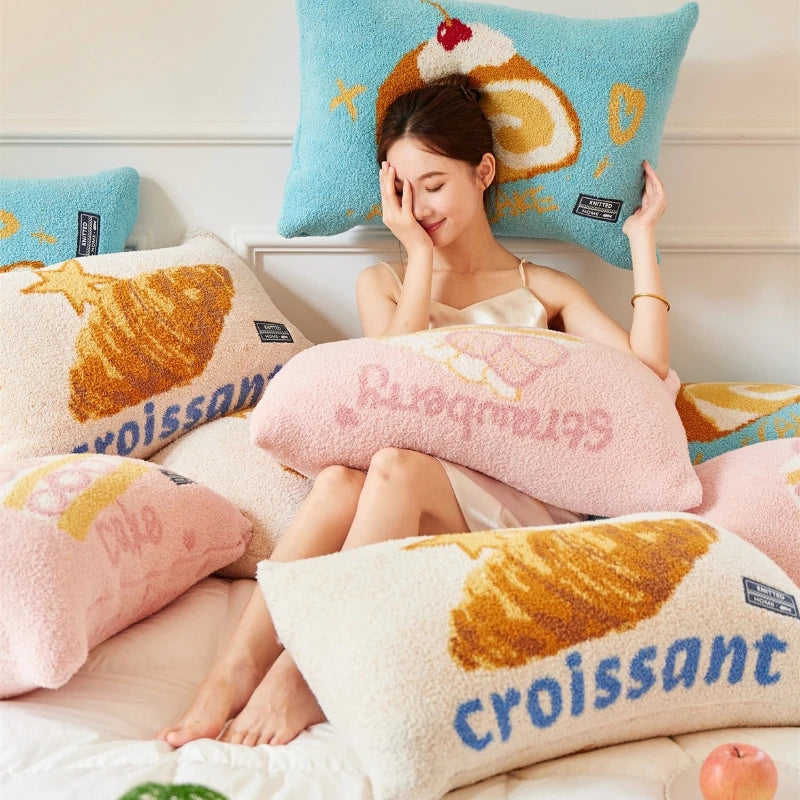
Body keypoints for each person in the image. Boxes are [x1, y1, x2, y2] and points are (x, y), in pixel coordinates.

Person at [156, 74, 669, 749]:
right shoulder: (388, 283)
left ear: (482, 172)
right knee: (344, 478)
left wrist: (642, 241)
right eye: (401, 190)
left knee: (397, 467)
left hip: (516, 501)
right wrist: (421, 257)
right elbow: (387, 386)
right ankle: (231, 671)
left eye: (434, 184)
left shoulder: (541, 288)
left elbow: (647, 379)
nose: (419, 205)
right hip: (416, 482)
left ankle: (303, 676)